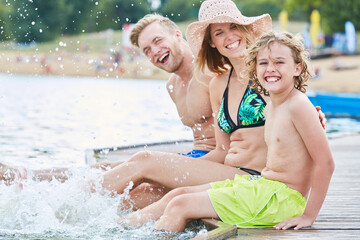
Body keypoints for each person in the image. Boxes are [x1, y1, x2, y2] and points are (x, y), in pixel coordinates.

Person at [119, 31, 334, 232]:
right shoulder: (272, 105)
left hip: (281, 200)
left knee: (181, 205)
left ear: (297, 68)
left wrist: (308, 215)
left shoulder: (298, 105)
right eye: (263, 63)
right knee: (178, 195)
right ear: (254, 69)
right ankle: (118, 229)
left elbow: (326, 163)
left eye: (279, 62)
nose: (270, 69)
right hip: (264, 188)